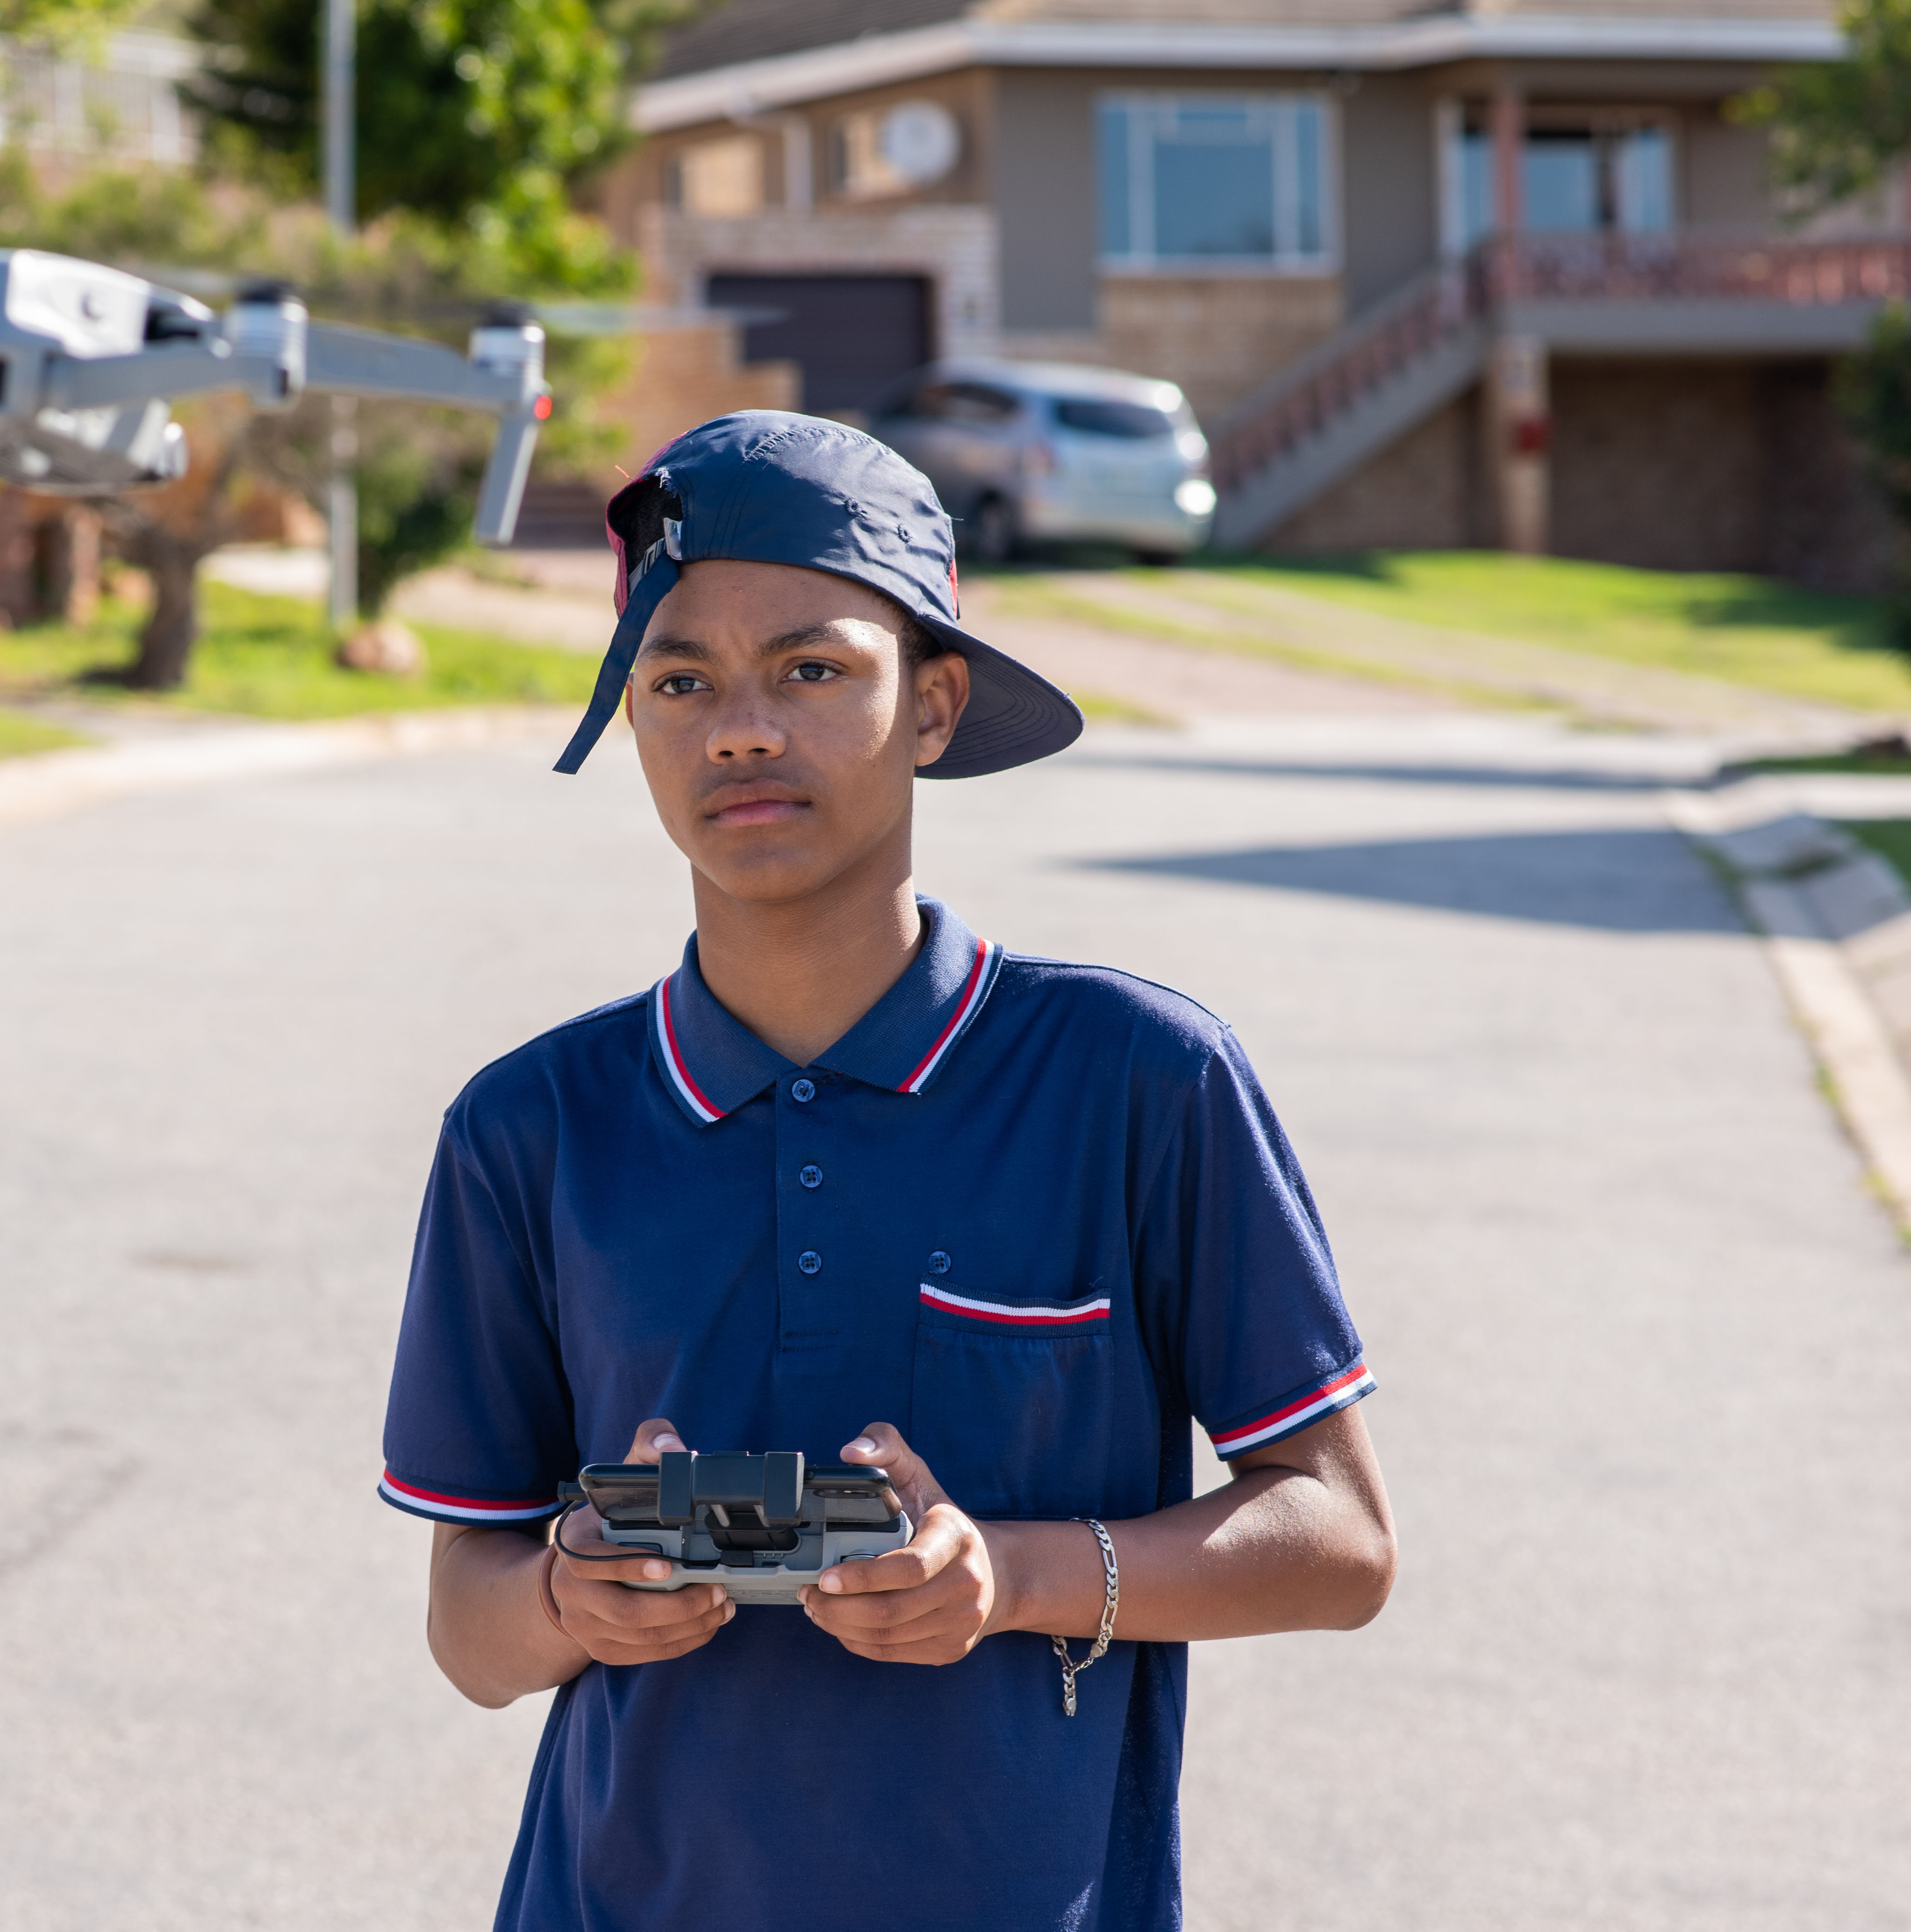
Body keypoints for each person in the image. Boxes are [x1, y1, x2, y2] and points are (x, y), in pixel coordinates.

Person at [376, 411, 1396, 1932]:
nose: (739, 728)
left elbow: (1338, 1540)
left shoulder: (1140, 1078)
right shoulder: (528, 1126)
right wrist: (563, 1601)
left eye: (811, 669)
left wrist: (1012, 1577)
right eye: (678, 680)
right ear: (633, 723)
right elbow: (469, 1629)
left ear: (933, 704)